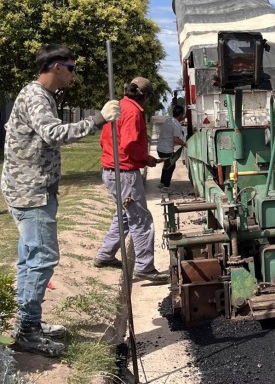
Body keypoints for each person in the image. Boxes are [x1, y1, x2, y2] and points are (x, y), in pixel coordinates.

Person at [1, 44, 120, 357]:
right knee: (41, 258)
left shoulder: (41, 96)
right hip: (31, 192)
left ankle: (29, 323)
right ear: (56, 67)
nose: (73, 74)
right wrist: (98, 119)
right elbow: (53, 134)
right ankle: (28, 332)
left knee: (30, 259)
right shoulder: (36, 96)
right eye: (71, 68)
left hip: (29, 188)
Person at [94, 77, 168, 284]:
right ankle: (145, 267)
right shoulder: (134, 111)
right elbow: (129, 144)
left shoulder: (117, 107)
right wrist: (145, 158)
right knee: (141, 220)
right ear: (144, 96)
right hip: (125, 173)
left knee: (125, 216)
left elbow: (105, 140)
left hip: (111, 170)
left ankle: (105, 255)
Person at [157, 104, 186, 192]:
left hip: (160, 148)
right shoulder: (176, 124)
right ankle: (166, 187)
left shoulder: (168, 120)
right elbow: (176, 139)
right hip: (166, 150)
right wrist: (184, 144)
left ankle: (162, 183)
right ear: (181, 115)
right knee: (171, 166)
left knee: (166, 164)